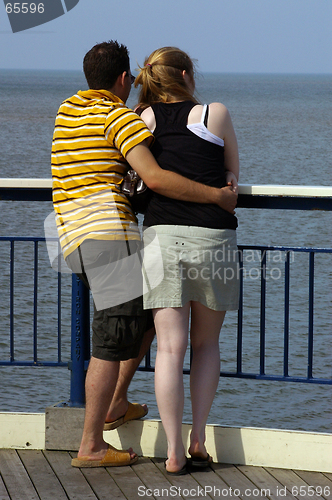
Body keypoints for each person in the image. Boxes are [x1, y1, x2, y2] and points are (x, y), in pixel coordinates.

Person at [51, 41, 238, 468]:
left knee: (148, 322)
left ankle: (124, 409)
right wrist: (216, 194)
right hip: (107, 238)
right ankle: (92, 442)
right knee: (113, 338)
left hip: (71, 235)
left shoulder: (68, 110)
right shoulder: (120, 118)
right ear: (122, 80)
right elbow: (153, 178)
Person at [135, 46, 240, 474]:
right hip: (213, 238)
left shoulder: (145, 118)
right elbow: (232, 176)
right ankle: (198, 438)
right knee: (206, 344)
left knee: (169, 350)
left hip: (162, 238)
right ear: (186, 74)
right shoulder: (215, 112)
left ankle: (173, 451)